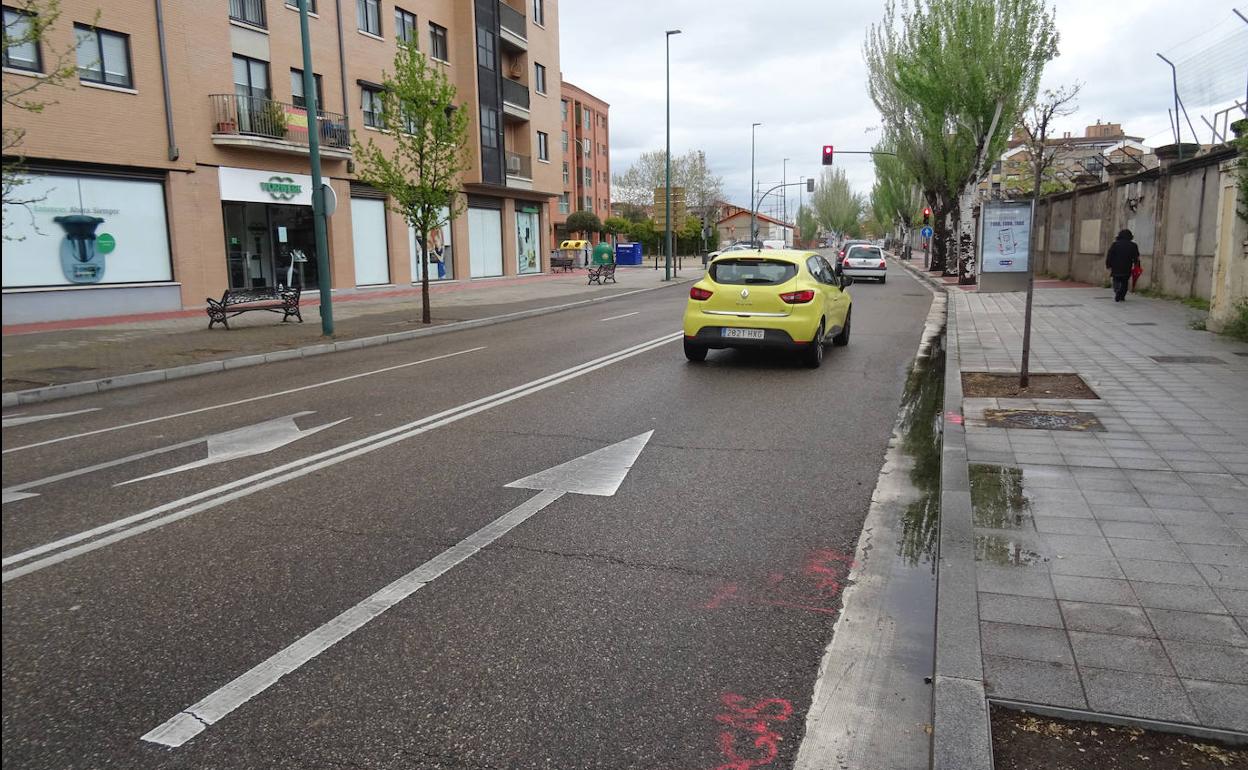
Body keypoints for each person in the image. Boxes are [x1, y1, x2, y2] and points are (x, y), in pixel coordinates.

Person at [1105, 229, 1141, 302]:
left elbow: (1110, 255)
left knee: (1116, 279)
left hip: (1116, 266)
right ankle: (1122, 295)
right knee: (1125, 281)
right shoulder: (1133, 245)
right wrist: (1137, 265)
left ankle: (1117, 290)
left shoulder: (1115, 244)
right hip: (1127, 266)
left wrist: (1108, 264)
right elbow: (1136, 257)